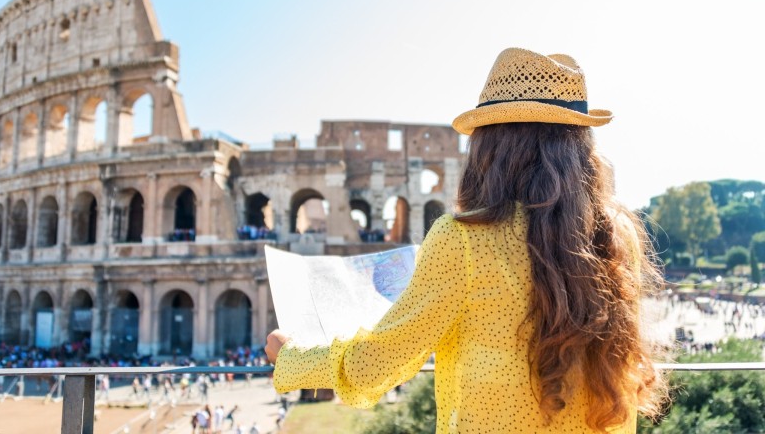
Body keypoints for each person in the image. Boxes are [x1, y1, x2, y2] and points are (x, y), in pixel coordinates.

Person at [266, 48, 667, 432]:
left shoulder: (463, 240)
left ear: (491, 147)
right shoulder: (616, 233)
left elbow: (380, 362)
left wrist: (293, 359)